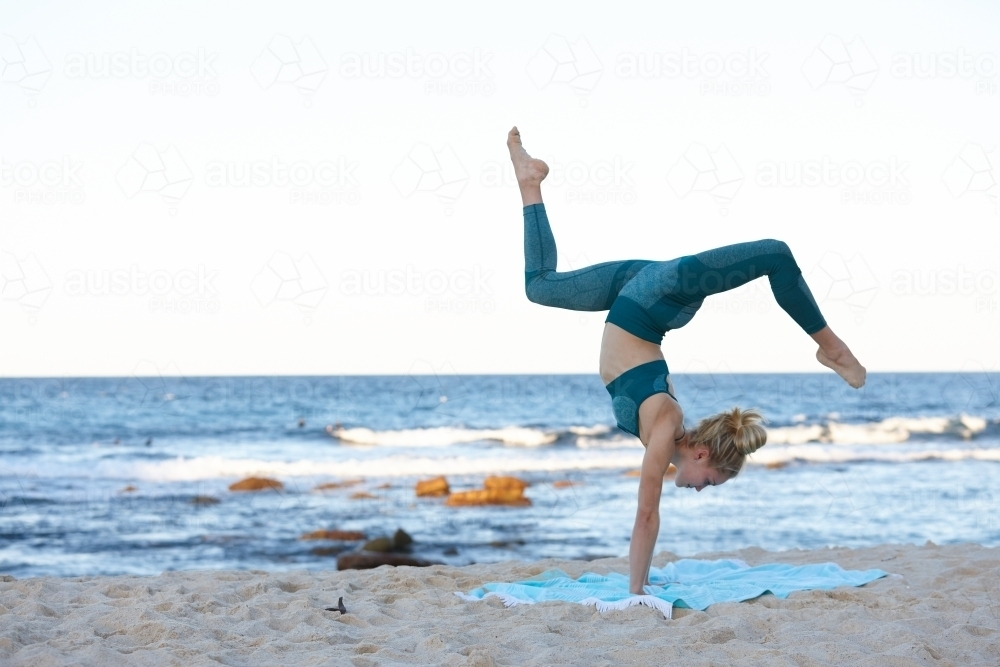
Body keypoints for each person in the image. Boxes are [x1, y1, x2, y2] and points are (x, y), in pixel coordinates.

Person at [506, 127, 866, 595]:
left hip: (636, 294)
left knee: (540, 286)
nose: (701, 489)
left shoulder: (671, 422)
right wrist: (637, 594)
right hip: (658, 292)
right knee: (776, 254)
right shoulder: (667, 422)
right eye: (710, 481)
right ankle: (832, 347)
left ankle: (529, 180)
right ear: (701, 454)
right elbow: (646, 513)